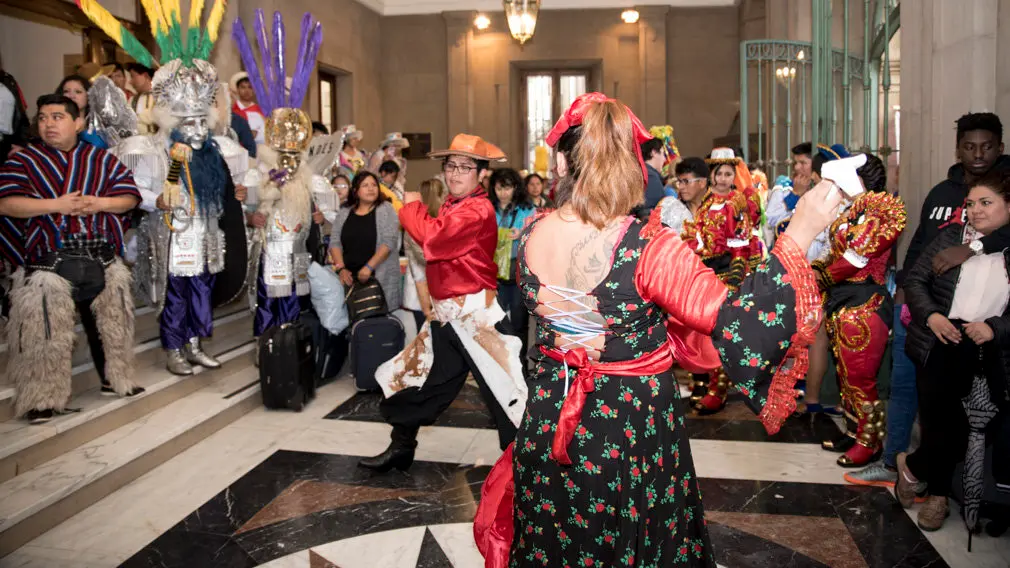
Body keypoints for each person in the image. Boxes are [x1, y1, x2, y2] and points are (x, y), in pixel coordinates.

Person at [472, 92, 840, 567]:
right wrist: (800, 233)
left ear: (561, 162)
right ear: (631, 165)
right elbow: (739, 323)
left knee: (557, 538)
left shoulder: (529, 236)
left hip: (549, 415)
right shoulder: (649, 246)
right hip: (630, 427)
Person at [847, 112, 1010, 487]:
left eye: (986, 147)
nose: (978, 154)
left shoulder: (1003, 199)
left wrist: (974, 247)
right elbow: (921, 243)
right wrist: (909, 298)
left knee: (967, 420)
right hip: (924, 312)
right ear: (958, 149)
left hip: (982, 332)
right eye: (969, 146)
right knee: (913, 394)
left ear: (1000, 148)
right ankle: (895, 464)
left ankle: (933, 483)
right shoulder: (942, 193)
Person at [96, 3, 249, 376]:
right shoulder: (153, 151)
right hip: (173, 234)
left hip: (206, 234)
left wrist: (237, 198)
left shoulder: (215, 152)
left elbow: (229, 192)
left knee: (203, 290)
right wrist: (159, 200)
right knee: (176, 293)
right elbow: (137, 190)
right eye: (189, 123)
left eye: (201, 123)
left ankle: (195, 344)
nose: (197, 131)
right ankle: (174, 348)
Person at [361, 134, 526, 473]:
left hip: (476, 318)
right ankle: (401, 447)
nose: (455, 174)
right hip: (448, 316)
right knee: (417, 378)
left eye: (465, 167)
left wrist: (411, 207)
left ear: (481, 173)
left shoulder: (477, 209)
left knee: (507, 390)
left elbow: (433, 238)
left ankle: (527, 470)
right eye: (450, 166)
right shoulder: (455, 204)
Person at [0, 94, 144, 424]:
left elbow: (129, 197)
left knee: (114, 329)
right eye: (42, 118)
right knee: (44, 335)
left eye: (57, 117)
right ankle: (41, 400)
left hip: (100, 259)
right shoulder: (24, 161)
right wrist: (57, 205)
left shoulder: (102, 159)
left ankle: (116, 379)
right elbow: (6, 204)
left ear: (78, 123)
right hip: (47, 263)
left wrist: (99, 203)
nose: (48, 124)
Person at [897, 169, 1010, 532]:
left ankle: (912, 467)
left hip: (989, 346)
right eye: (971, 203)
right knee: (938, 423)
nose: (976, 210)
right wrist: (931, 316)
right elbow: (915, 280)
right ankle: (938, 497)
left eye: (986, 203)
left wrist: (994, 327)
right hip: (942, 339)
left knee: (970, 429)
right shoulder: (950, 237)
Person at [233, 9, 326, 338]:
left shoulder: (307, 171)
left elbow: (326, 203)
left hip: (298, 243)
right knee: (269, 295)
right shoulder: (261, 166)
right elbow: (246, 203)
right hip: (271, 241)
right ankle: (267, 345)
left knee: (294, 297)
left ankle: (290, 346)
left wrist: (319, 213)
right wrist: (251, 214)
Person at [812, 152, 907, 468]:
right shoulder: (854, 210)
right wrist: (814, 269)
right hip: (843, 299)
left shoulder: (881, 211)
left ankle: (870, 442)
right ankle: (854, 432)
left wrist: (820, 277)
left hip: (865, 302)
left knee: (861, 378)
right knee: (845, 374)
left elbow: (856, 258)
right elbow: (834, 253)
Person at [681, 149, 753, 414]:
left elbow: (740, 244)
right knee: (701, 332)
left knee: (720, 334)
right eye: (719, 173)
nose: (723, 179)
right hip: (704, 272)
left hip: (725, 272)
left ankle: (718, 389)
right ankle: (705, 382)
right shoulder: (706, 203)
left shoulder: (736, 204)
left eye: (728, 174)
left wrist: (735, 275)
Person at [328, 171, 401, 313]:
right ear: (356, 190)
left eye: (374, 185)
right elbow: (335, 241)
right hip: (349, 279)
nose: (371, 189)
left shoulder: (386, 208)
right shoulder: (345, 212)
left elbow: (389, 242)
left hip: (379, 278)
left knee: (378, 321)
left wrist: (369, 267)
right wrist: (341, 269)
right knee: (352, 320)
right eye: (365, 185)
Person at [489, 167, 536, 364]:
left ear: (515, 188)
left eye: (507, 188)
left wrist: (522, 233)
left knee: (519, 322)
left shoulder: (526, 208)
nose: (503, 193)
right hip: (494, 272)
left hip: (517, 270)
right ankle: (500, 364)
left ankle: (521, 363)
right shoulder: (488, 208)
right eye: (499, 188)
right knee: (496, 322)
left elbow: (536, 233)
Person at [403, 178, 447, 328]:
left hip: (438, 293)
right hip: (424, 293)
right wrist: (426, 308)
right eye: (443, 195)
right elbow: (420, 266)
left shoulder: (441, 221)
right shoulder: (417, 224)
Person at [633, 137, 666, 220]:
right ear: (654, 152)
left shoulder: (639, 172)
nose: (664, 159)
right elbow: (647, 213)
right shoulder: (650, 177)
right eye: (663, 154)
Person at [229, 72, 267, 146]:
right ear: (237, 89)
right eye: (243, 87)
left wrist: (257, 134)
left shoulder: (260, 110)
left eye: (250, 87)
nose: (247, 91)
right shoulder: (233, 111)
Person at [126, 63, 156, 135]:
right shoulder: (132, 100)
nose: (130, 82)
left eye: (132, 76)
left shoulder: (160, 96)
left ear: (145, 75)